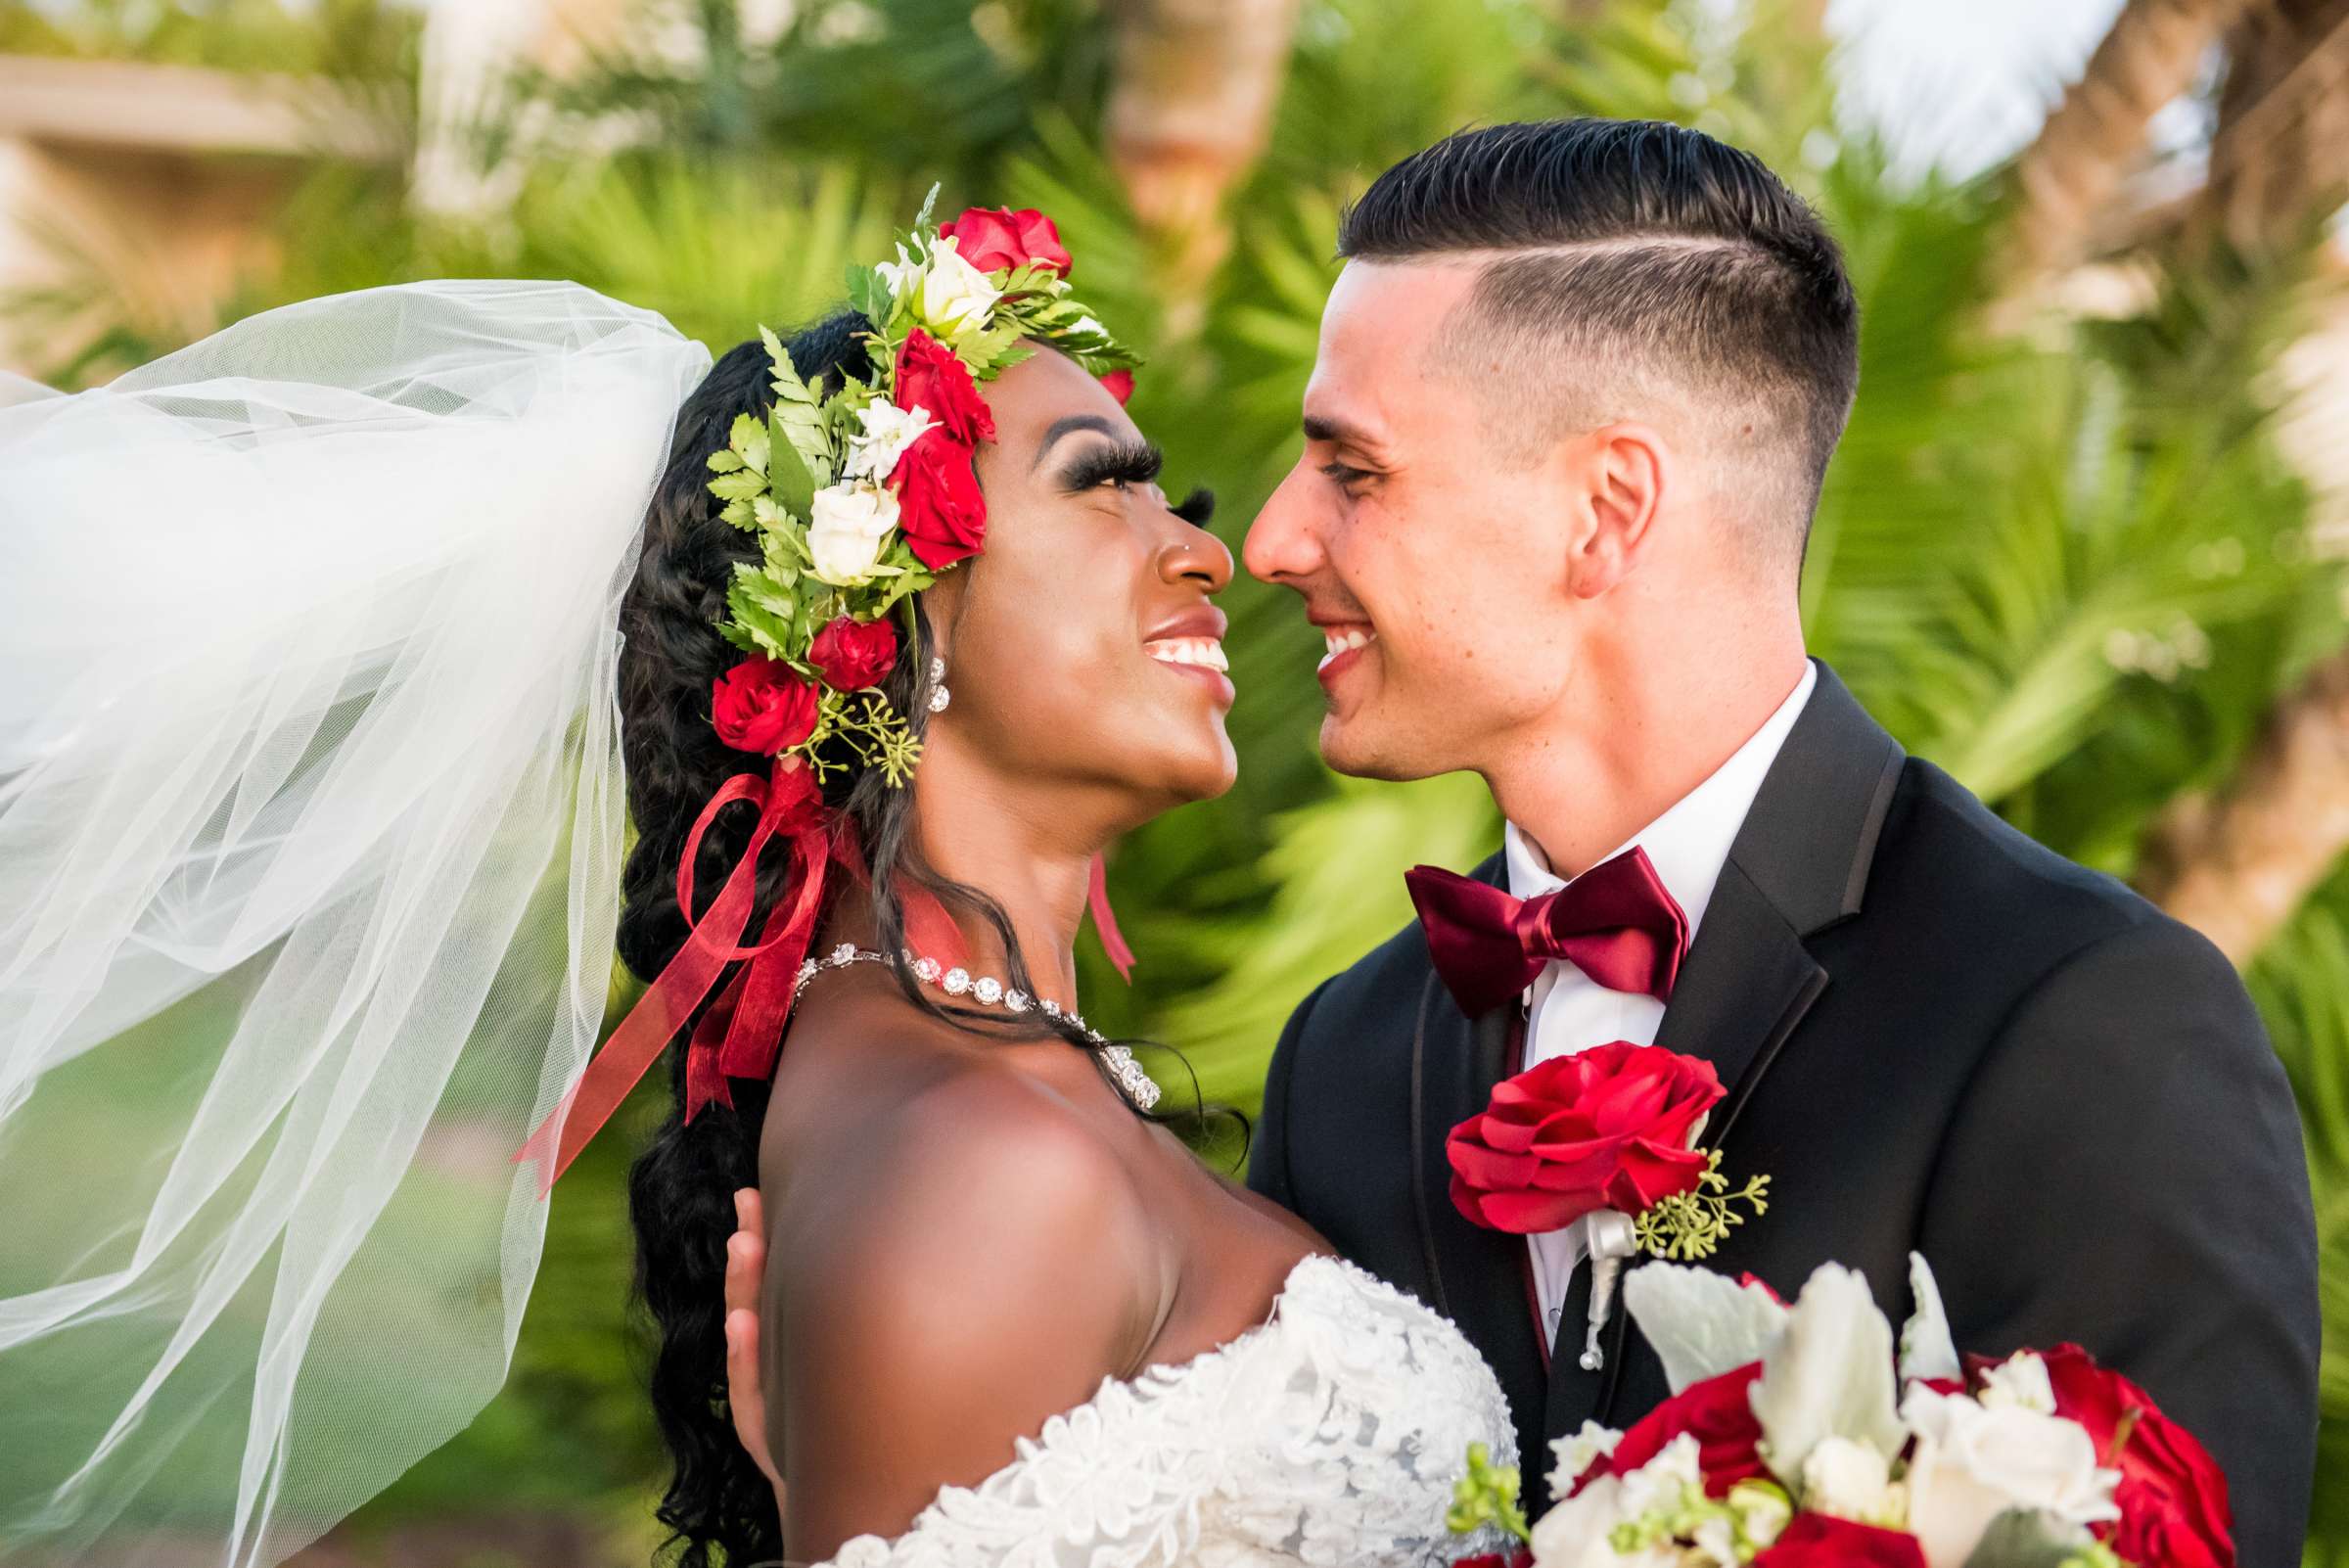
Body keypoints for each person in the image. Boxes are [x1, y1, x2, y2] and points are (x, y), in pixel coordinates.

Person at [0, 204, 1513, 1568]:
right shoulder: (980, 1166)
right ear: (890, 623)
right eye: (1103, 485)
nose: (1202, 549)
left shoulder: (968, 1092)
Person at [1228, 117, 2320, 1565]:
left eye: (1351, 471)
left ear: (1605, 510)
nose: (1271, 540)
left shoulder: (2080, 1018)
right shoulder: (1341, 1062)